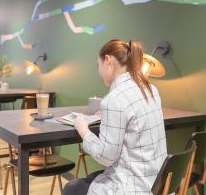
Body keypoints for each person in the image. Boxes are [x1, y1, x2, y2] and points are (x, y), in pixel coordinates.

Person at [63, 39, 167, 195]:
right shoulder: (151, 89)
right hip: (156, 184)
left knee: (71, 188)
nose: (99, 72)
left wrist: (83, 130)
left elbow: (106, 157)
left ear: (107, 60)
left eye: (98, 66)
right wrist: (109, 115)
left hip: (131, 188)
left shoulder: (114, 99)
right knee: (91, 179)